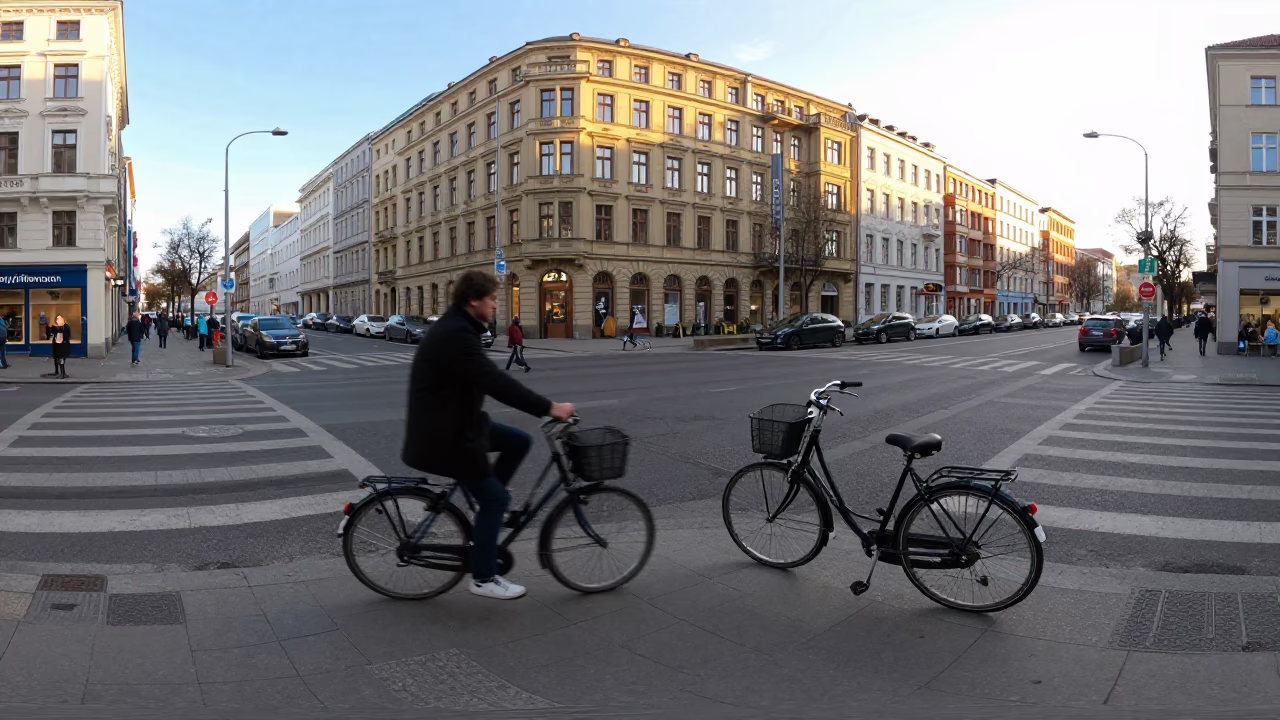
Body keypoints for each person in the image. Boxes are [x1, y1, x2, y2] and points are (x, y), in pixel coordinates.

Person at [402, 270, 575, 601]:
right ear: (473, 300)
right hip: (445, 437)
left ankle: (488, 507)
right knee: (496, 498)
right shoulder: (455, 335)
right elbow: (495, 382)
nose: (497, 304)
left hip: (457, 424)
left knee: (518, 441)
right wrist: (549, 407)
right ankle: (483, 577)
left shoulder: (461, 328)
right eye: (493, 298)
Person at [46, 314, 71, 378]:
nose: (58, 321)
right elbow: (50, 333)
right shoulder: (55, 327)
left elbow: (66, 336)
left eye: (60, 319)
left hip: (63, 346)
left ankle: (62, 373)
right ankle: (57, 371)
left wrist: (58, 329)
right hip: (56, 346)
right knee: (56, 359)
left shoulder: (66, 327)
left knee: (61, 359)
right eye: (57, 319)